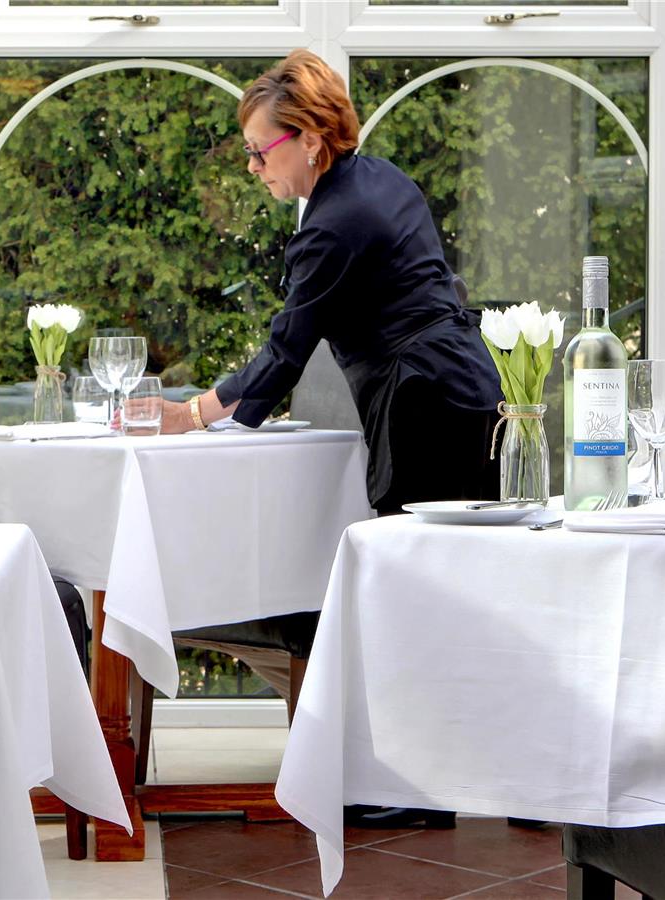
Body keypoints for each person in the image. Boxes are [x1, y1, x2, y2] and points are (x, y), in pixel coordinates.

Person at [161, 50, 504, 828]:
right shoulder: (380, 180)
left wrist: (195, 413)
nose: (253, 167)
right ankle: (480, 779)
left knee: (413, 592)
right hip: (466, 391)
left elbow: (288, 349)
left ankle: (416, 792)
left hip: (424, 405)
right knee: (459, 590)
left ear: (310, 140)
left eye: (260, 151)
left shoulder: (332, 225)